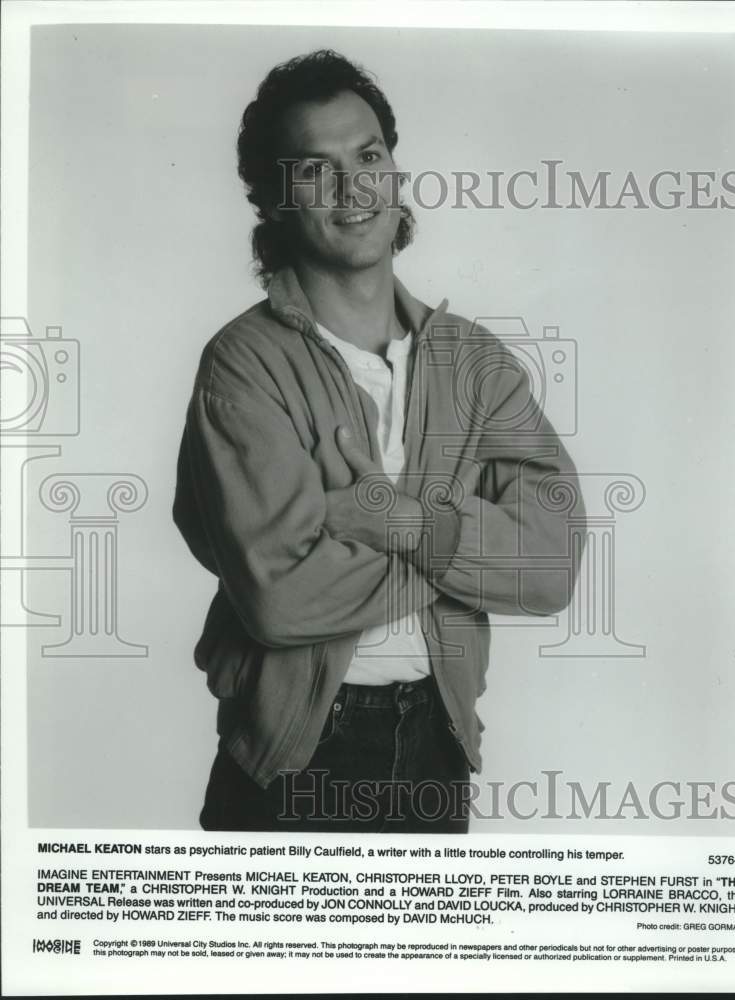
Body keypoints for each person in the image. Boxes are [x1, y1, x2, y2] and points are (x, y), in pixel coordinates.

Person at [173, 49, 583, 833]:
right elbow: (279, 598)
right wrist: (465, 548)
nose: (353, 188)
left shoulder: (474, 361)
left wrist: (401, 523)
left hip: (439, 743)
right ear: (274, 199)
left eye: (368, 156)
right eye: (315, 170)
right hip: (294, 759)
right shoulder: (246, 364)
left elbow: (553, 568)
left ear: (394, 171)